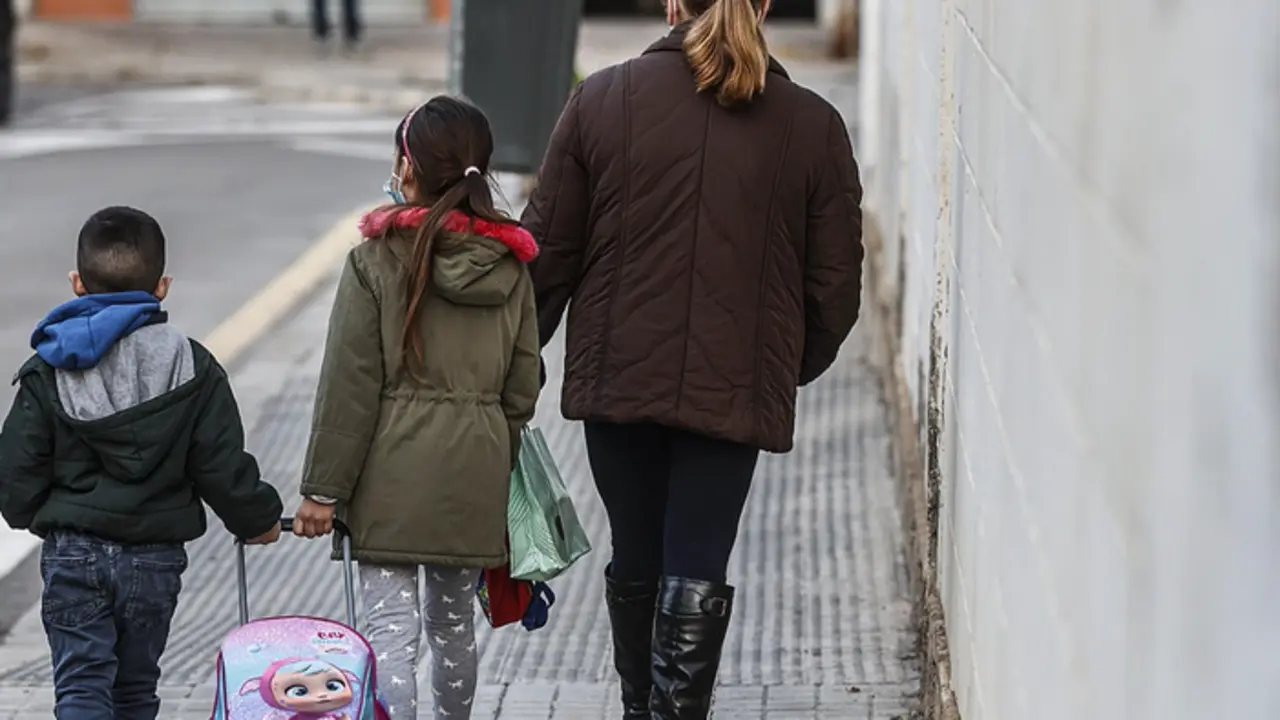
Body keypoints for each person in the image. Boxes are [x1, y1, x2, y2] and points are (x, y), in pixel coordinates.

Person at [521, 0, 865, 716]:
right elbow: (835, 287)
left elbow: (547, 255)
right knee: (698, 562)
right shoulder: (810, 125)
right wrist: (775, 368)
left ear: (672, 4)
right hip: (731, 389)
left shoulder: (602, 100)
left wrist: (516, 365)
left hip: (618, 378)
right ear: (765, 6)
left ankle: (638, 706)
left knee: (637, 554)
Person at [291, 96, 541, 719]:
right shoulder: (510, 267)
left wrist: (323, 489)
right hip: (473, 476)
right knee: (453, 626)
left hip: (390, 476)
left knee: (390, 633)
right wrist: (490, 451)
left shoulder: (376, 259)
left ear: (407, 167)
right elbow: (523, 387)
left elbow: (349, 384)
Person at [0, 206, 285, 719]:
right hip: (153, 558)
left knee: (82, 686)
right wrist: (258, 519)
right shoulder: (192, 365)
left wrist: (25, 513)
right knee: (135, 689)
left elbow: (17, 464)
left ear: (77, 284)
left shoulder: (49, 368)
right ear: (163, 287)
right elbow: (220, 462)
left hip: (74, 553)